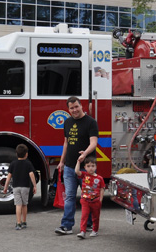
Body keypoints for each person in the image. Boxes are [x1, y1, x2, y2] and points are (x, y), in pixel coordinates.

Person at [54, 96, 98, 235]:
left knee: (88, 196)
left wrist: (84, 154)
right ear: (68, 109)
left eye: (76, 107)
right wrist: (62, 161)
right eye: (71, 108)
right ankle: (66, 226)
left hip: (86, 167)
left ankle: (90, 224)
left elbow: (93, 143)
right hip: (69, 167)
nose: (74, 110)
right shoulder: (67, 122)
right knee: (70, 197)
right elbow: (66, 143)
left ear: (81, 106)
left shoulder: (91, 122)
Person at [3, 144, 37, 230]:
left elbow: (9, 177)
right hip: (25, 187)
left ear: (16, 154)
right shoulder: (28, 164)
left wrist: (5, 187)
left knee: (18, 205)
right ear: (26, 154)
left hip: (16, 187)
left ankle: (18, 223)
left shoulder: (13, 164)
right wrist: (34, 185)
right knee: (24, 205)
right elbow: (31, 174)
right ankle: (24, 222)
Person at [74, 156, 105, 239]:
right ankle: (82, 231)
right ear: (85, 168)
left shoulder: (99, 178)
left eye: (92, 166)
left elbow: (102, 189)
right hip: (85, 200)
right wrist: (78, 161)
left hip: (96, 201)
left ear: (96, 167)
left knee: (95, 217)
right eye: (88, 166)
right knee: (84, 216)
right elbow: (77, 171)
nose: (90, 168)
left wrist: (100, 199)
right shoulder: (84, 175)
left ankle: (95, 230)